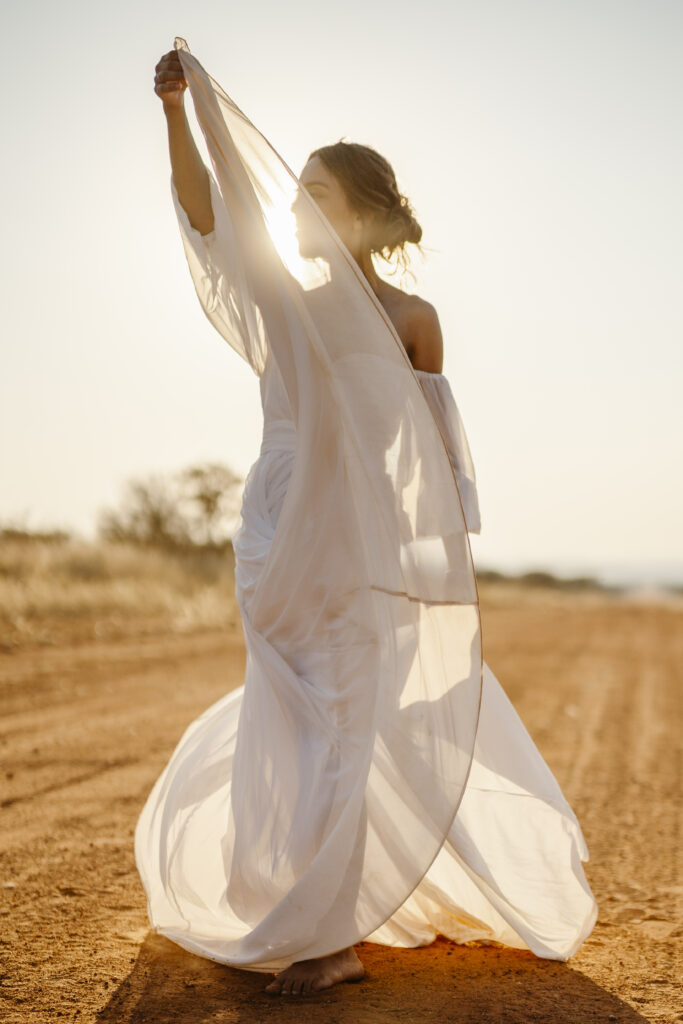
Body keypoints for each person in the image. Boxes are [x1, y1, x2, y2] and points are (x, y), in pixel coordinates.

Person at [135, 39, 597, 999]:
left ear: (360, 213)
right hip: (277, 526)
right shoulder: (286, 305)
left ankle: (329, 932)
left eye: (317, 193)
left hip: (359, 531)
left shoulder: (414, 319)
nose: (297, 207)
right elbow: (207, 216)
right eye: (294, 189)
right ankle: (307, 900)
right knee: (298, 715)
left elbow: (429, 459)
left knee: (346, 718)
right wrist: (180, 115)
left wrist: (433, 565)